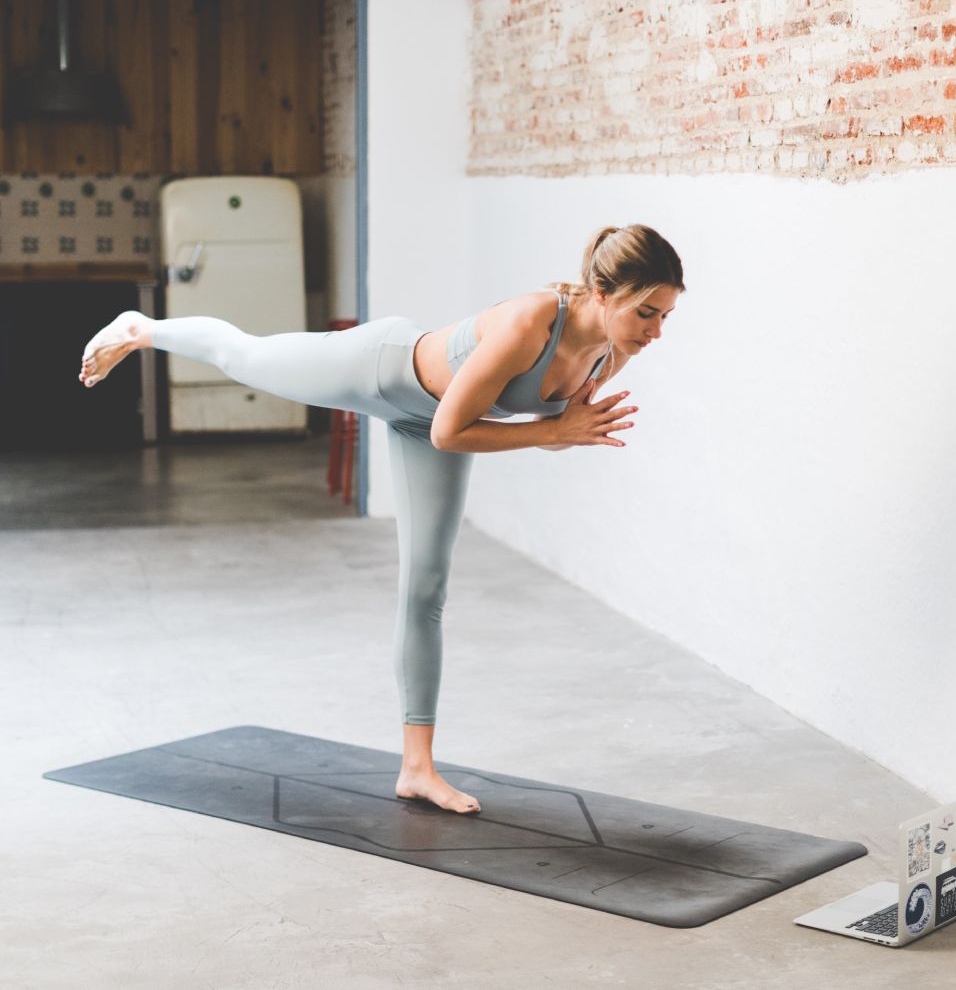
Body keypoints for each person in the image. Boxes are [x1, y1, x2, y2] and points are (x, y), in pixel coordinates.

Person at [79, 223, 685, 815]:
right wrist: (554, 431)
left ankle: (416, 770)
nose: (656, 331)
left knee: (426, 587)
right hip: (378, 367)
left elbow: (533, 433)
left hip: (434, 427)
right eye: (647, 313)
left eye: (665, 315)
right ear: (604, 295)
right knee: (245, 355)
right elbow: (456, 429)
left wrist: (567, 433)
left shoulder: (610, 352)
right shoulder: (531, 321)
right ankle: (141, 327)